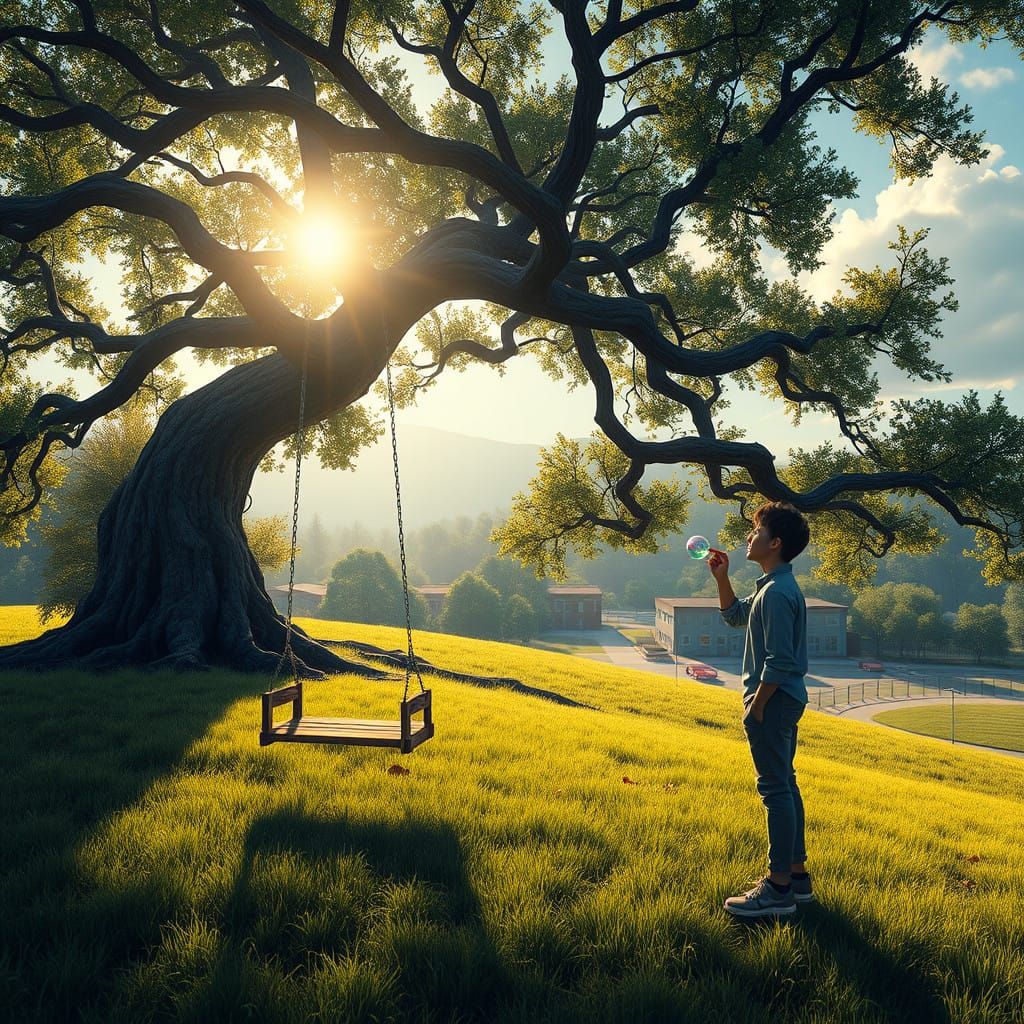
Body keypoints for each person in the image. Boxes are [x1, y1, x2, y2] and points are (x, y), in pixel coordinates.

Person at [706, 501, 812, 918]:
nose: (749, 538)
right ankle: (797, 879)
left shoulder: (779, 593)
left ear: (776, 542)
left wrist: (756, 705)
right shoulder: (771, 587)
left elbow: (781, 661)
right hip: (782, 700)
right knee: (786, 784)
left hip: (774, 700)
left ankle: (778, 888)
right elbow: (735, 616)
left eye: (756, 531)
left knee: (774, 790)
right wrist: (722, 578)